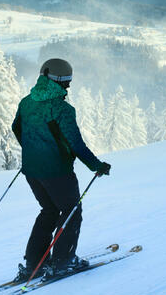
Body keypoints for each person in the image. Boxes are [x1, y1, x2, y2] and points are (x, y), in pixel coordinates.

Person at [10, 58, 111, 281]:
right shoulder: (62, 109)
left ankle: (33, 264)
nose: (68, 86)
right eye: (68, 82)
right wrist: (97, 166)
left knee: (48, 211)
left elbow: (16, 128)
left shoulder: (26, 102)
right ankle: (63, 262)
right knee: (71, 212)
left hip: (32, 171)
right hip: (57, 172)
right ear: (62, 82)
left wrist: (34, 151)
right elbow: (75, 144)